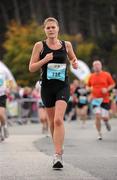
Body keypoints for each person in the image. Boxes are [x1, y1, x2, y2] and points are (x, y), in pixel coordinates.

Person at [29, 17, 78, 169]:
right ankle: (57, 146)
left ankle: (58, 155)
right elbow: (31, 67)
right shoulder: (40, 46)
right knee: (52, 122)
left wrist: (74, 63)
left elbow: (73, 58)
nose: (51, 30)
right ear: (44, 30)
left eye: (53, 27)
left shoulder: (66, 44)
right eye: (48, 28)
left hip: (62, 86)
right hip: (47, 87)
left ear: (58, 28)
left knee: (58, 120)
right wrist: (44, 60)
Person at [87, 60, 115, 140]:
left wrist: (106, 89)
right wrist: (90, 90)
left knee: (105, 117)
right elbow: (87, 86)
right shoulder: (91, 76)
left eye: (98, 65)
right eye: (95, 65)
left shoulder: (106, 75)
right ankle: (99, 133)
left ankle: (106, 122)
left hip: (105, 99)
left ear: (101, 66)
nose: (96, 66)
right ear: (93, 67)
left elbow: (113, 84)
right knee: (97, 116)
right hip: (95, 99)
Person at [0, 71, 9, 141]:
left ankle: (5, 126)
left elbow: (8, 81)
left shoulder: (3, 72)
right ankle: (1, 135)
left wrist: (8, 89)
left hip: (2, 95)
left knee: (1, 114)